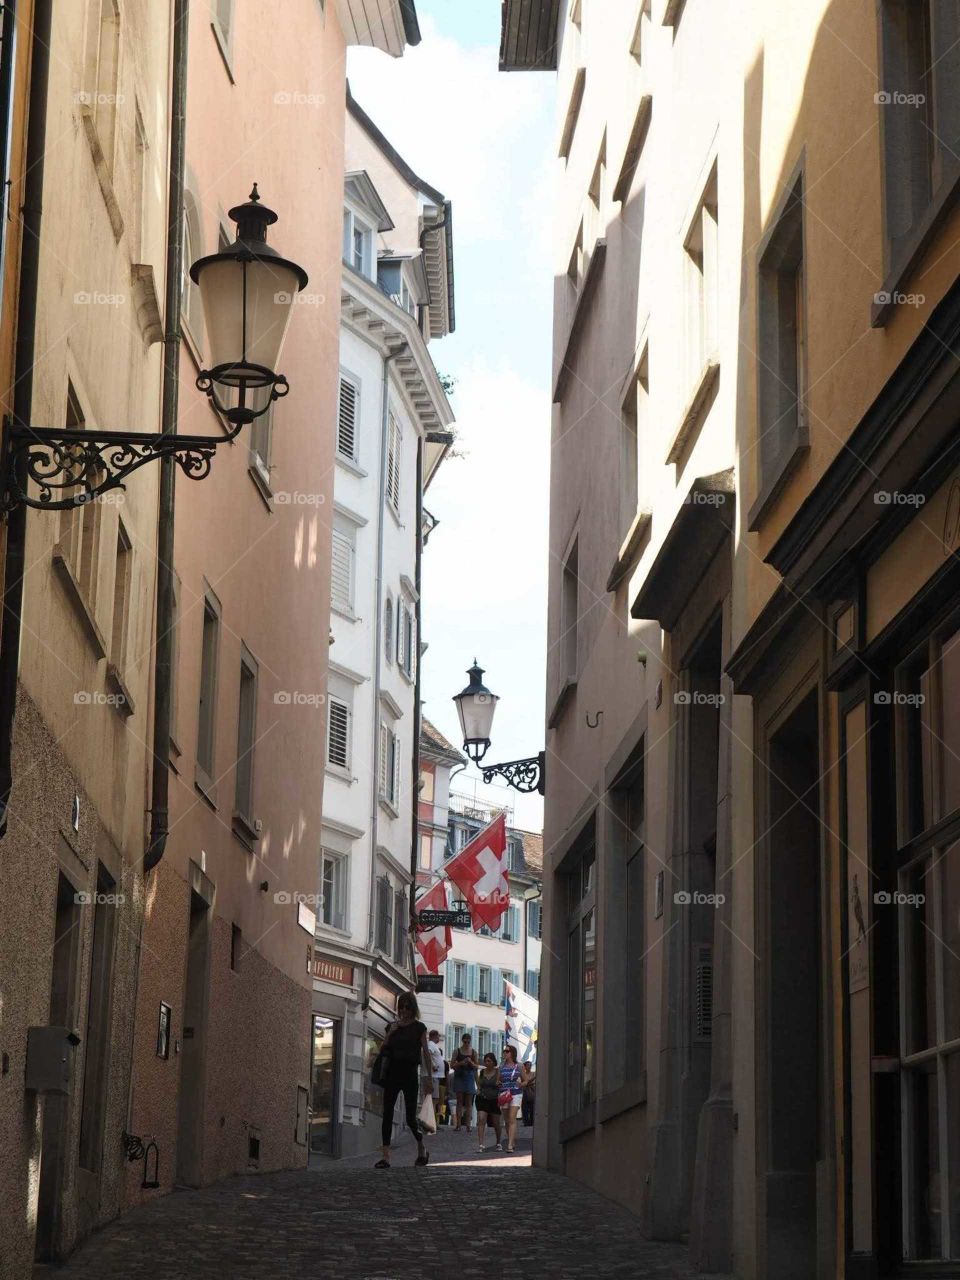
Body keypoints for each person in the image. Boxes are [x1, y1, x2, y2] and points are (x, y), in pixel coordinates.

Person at [375, 992, 433, 1169]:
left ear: (413, 1008)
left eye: (408, 1007)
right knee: (387, 1113)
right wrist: (390, 1033)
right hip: (392, 1073)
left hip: (409, 1074)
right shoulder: (392, 1027)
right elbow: (382, 1048)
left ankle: (421, 1146)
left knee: (410, 1117)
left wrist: (428, 1078)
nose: (404, 1011)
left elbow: (425, 1053)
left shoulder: (419, 1028)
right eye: (402, 1007)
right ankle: (386, 1156)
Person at [499, 1044, 530, 1153]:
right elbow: (498, 1080)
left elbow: (526, 1080)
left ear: (512, 1053)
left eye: (507, 1051)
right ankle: (512, 1140)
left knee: (512, 1118)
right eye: (504, 1051)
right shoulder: (501, 1066)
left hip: (516, 1093)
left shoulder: (519, 1066)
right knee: (507, 1120)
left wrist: (521, 1084)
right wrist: (498, 1083)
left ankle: (510, 1145)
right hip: (504, 1094)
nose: (505, 1053)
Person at [474, 1053, 503, 1153]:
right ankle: (481, 1145)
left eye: (489, 1061)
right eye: (486, 1061)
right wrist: (478, 1090)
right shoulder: (481, 1072)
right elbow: (479, 1085)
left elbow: (501, 1084)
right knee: (481, 1119)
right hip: (482, 1099)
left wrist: (500, 1085)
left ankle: (498, 1142)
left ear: (493, 1062)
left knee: (496, 1123)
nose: (487, 1063)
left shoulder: (498, 1072)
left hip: (494, 1100)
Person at [451, 1033, 478, 1132]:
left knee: (469, 1103)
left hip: (469, 1076)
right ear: (462, 1041)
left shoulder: (474, 1052)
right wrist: (461, 1063)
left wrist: (470, 1062)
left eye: (468, 1041)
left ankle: (468, 1125)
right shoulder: (457, 1051)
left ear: (470, 1041)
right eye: (465, 1041)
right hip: (459, 1076)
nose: (466, 1043)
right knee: (459, 1101)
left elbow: (476, 1067)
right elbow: (451, 1065)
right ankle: (458, 1125)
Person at [427, 1029, 445, 1124]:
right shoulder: (431, 1044)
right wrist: (433, 1065)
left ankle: (432, 1122)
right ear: (435, 1036)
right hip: (433, 1075)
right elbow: (427, 1053)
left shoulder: (433, 1045)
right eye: (438, 1036)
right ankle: (432, 1122)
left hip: (435, 1076)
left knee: (435, 1099)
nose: (439, 1038)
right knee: (434, 1100)